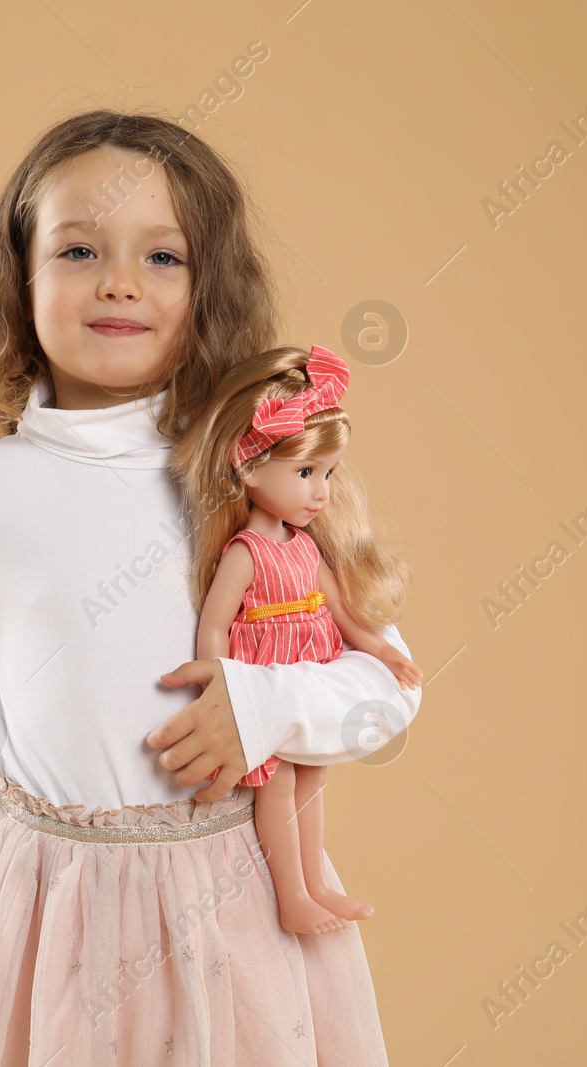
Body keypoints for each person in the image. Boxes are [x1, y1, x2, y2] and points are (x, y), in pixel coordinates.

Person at [0, 108, 421, 1065]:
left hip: (243, 911)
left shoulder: (249, 471)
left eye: (162, 257)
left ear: (211, 289)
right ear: (19, 281)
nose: (117, 281)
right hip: (55, 927)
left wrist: (261, 708)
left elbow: (393, 688)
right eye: (77, 249)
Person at [176, 343, 423, 938]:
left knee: (313, 777)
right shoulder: (244, 552)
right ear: (249, 467)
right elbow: (214, 624)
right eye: (306, 474)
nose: (322, 493)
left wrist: (384, 650)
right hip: (262, 679)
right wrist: (226, 691)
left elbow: (340, 611)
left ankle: (317, 885)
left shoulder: (306, 546)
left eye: (328, 474)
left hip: (305, 674)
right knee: (278, 786)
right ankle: (292, 895)